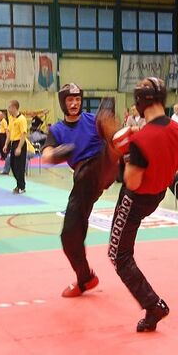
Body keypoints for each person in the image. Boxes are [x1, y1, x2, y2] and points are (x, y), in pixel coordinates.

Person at [108, 77, 178, 332]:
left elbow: (132, 182)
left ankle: (153, 305)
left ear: (140, 102)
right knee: (122, 253)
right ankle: (152, 304)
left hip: (135, 200)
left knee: (118, 255)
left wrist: (126, 156)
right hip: (158, 195)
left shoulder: (141, 140)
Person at [42, 83, 120, 298]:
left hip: (102, 164)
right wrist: (55, 154)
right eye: (70, 100)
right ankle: (85, 277)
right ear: (63, 102)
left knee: (107, 123)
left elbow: (113, 135)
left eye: (77, 99)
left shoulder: (93, 120)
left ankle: (119, 155)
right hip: (85, 180)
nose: (75, 103)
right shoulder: (57, 130)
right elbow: (46, 154)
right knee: (69, 236)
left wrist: (113, 131)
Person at [3, 100, 28, 194]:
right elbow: (9, 133)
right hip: (13, 143)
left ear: (14, 107)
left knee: (19, 166)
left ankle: (21, 186)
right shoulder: (11, 118)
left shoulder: (22, 119)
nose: (8, 109)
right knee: (12, 165)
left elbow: (23, 134)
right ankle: (19, 183)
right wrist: (6, 144)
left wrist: (19, 147)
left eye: (9, 107)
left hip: (20, 143)